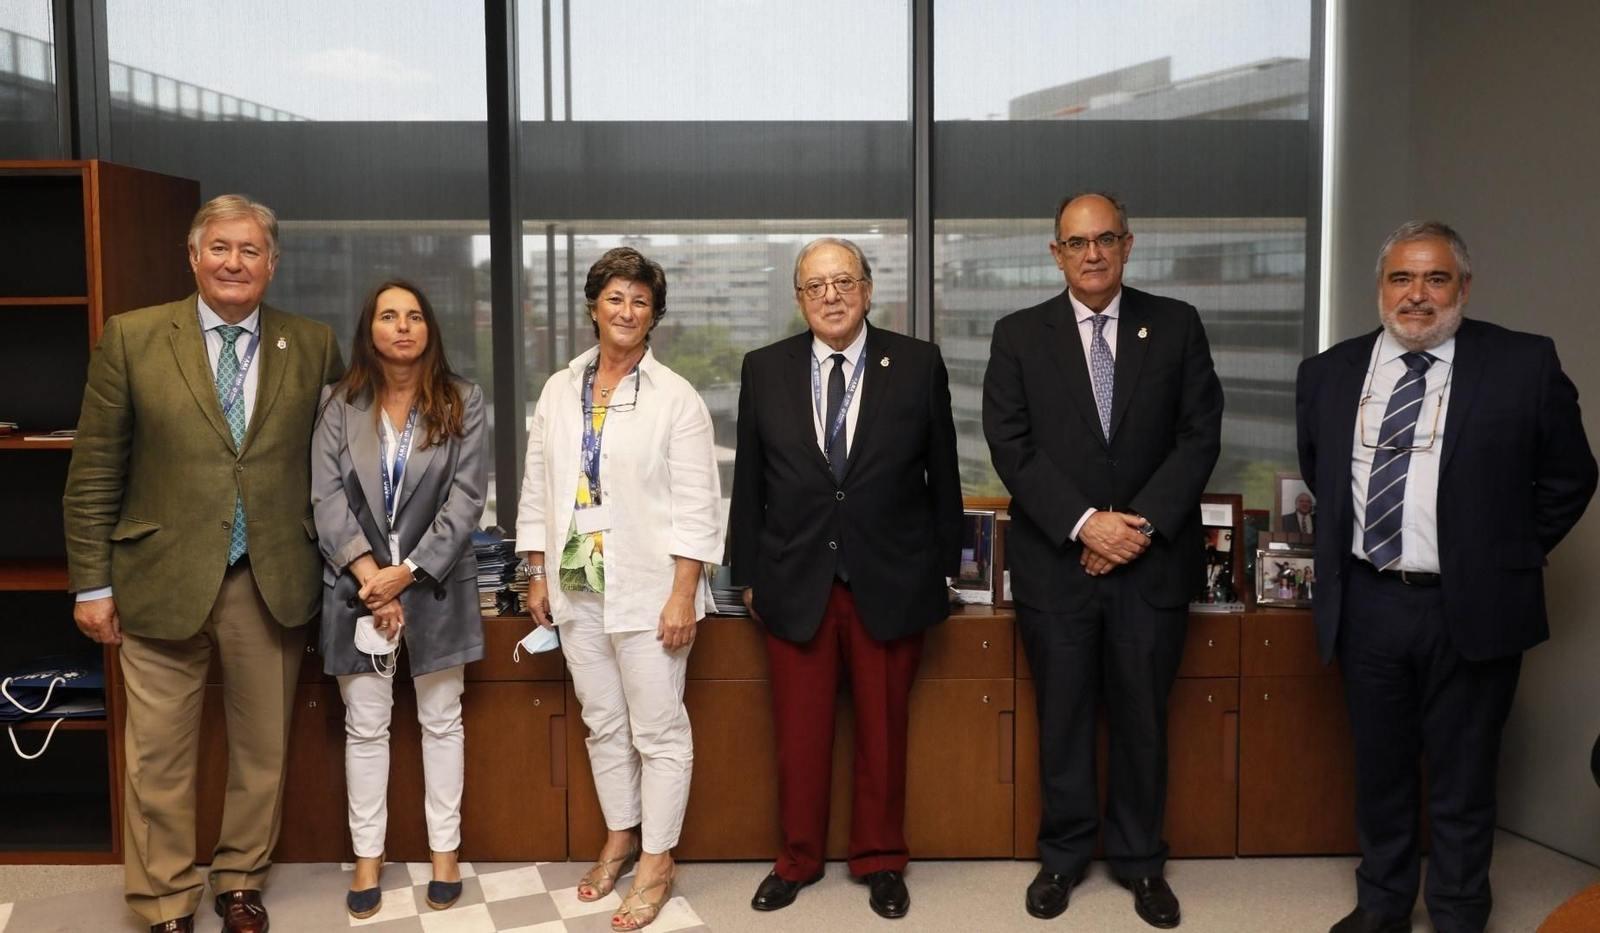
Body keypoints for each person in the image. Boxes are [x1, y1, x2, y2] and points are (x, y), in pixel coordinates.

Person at [1297, 220, 1596, 933]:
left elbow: (1570, 476)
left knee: (1464, 777)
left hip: (1472, 603)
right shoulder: (1329, 373)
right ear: (1380, 288)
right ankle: (1383, 902)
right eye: (1402, 278)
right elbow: (1324, 473)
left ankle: (1461, 910)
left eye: (1436, 278)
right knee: (1381, 772)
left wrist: (1501, 552)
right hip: (1368, 601)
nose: (1418, 295)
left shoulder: (1523, 364)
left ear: (1464, 287)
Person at [62, 195, 344, 933]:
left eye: (251, 250)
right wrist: (92, 583)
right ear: (193, 257)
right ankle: (162, 900)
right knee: (156, 755)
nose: (234, 263)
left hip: (272, 574)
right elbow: (94, 471)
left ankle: (242, 879)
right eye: (220, 247)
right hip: (157, 574)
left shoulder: (311, 344)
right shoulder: (131, 338)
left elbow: (338, 464)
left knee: (263, 749)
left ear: (272, 264)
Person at [983, 192, 1223, 929]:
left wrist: (1136, 528)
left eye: (1105, 239)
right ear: (1055, 253)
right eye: (1077, 242)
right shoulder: (1019, 334)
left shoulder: (1176, 324)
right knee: (1064, 718)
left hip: (1150, 568)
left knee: (1143, 719)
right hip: (1058, 566)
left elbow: (1198, 437)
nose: (1092, 253)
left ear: (1128, 244)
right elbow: (1011, 446)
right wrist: (1087, 525)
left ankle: (1142, 861)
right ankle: (1062, 857)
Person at [729, 236, 962, 921]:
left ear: (866, 288)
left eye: (843, 281)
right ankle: (797, 858)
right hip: (794, 581)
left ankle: (880, 858)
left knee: (883, 735)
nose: (830, 295)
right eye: (815, 285)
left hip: (890, 581)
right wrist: (746, 574)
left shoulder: (917, 364)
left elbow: (942, 476)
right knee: (799, 738)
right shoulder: (764, 368)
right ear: (800, 297)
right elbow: (750, 481)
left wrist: (943, 568)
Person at [516, 247, 721, 932]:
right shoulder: (558, 388)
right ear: (594, 306)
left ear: (653, 313)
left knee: (658, 730)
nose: (626, 310)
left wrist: (683, 592)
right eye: (615, 298)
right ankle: (620, 836)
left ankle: (658, 860)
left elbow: (698, 504)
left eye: (639, 300)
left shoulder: (676, 398)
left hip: (648, 586)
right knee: (603, 722)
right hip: (579, 583)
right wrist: (537, 570)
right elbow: (537, 486)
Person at [310, 280, 487, 918]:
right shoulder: (339, 403)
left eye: (414, 316)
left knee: (442, 722)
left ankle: (445, 851)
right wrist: (371, 577)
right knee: (366, 728)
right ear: (371, 330)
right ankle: (367, 857)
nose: (403, 327)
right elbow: (326, 499)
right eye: (389, 316)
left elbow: (466, 501)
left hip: (434, 586)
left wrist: (404, 574)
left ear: (429, 329)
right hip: (356, 590)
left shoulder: (463, 399)